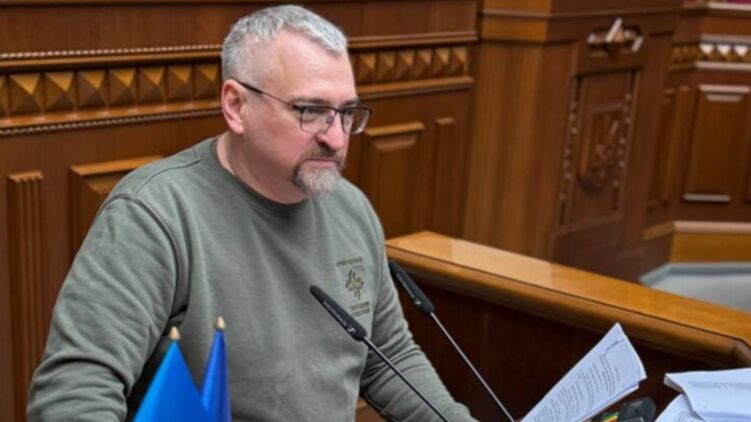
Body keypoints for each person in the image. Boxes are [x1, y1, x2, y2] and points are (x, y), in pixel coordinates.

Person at [27, 5, 475, 421]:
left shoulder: (350, 207)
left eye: (346, 113)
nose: (337, 138)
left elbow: (389, 358)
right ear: (236, 106)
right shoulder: (152, 214)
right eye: (312, 111)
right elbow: (73, 394)